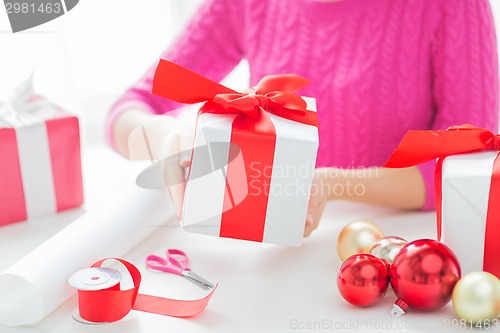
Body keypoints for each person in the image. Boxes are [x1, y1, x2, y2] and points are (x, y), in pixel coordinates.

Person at [106, 0, 499, 237]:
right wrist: (160, 135)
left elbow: (466, 158)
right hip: (271, 255)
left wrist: (331, 184)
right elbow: (131, 106)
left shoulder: (452, 6)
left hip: (395, 253)